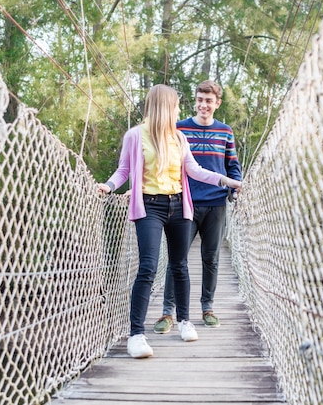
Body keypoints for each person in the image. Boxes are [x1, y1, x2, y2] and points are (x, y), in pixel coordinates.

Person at [97, 84, 242, 359]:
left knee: (180, 265)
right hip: (149, 206)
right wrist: (108, 186)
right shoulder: (135, 136)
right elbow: (125, 169)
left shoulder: (178, 138)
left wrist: (226, 180)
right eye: (175, 105)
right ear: (165, 106)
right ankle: (136, 335)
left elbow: (194, 170)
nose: (178, 109)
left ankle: (185, 321)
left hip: (179, 205)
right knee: (148, 267)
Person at [153, 80, 242, 334]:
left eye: (209, 101)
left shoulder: (225, 131)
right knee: (176, 259)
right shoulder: (178, 128)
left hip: (216, 203)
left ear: (217, 104)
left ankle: (207, 307)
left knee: (211, 258)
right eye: (200, 100)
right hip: (184, 203)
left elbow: (232, 165)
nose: (203, 105)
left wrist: (237, 185)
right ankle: (168, 313)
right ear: (195, 100)